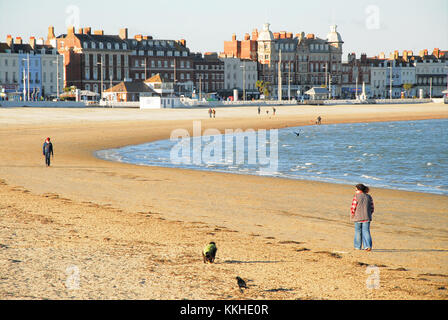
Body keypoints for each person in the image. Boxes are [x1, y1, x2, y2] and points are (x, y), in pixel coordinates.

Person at [350, 184, 375, 251]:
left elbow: (353, 207)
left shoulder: (356, 196)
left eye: (356, 190)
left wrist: (352, 214)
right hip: (367, 217)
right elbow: (372, 208)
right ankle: (368, 246)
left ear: (359, 190)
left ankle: (357, 247)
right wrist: (369, 214)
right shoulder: (369, 196)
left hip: (358, 217)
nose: (355, 191)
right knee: (366, 231)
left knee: (358, 232)